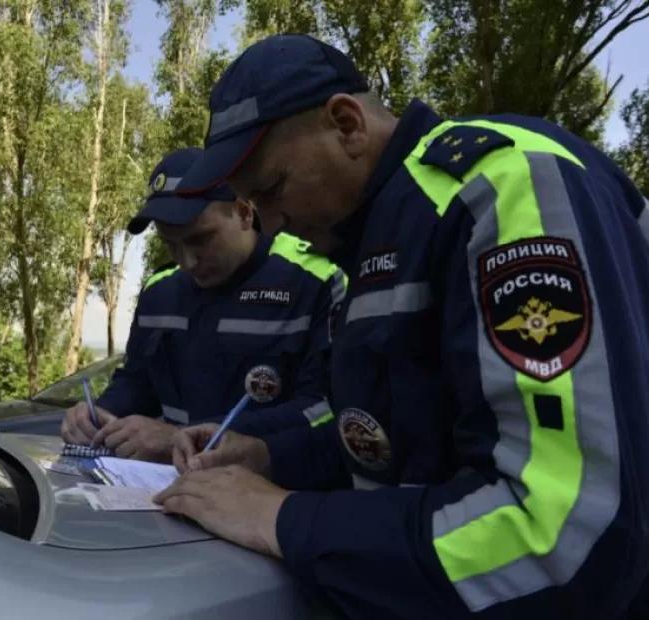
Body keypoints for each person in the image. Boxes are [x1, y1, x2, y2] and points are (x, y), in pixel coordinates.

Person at [156, 34, 649, 618]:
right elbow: (390, 441)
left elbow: (562, 536)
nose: (270, 225)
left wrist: (281, 516)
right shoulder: (366, 244)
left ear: (346, 125)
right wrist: (266, 455)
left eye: (271, 191)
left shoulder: (503, 185)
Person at [61, 147, 345, 464]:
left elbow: (324, 408)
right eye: (170, 244)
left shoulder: (314, 279)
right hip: (158, 489)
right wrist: (100, 412)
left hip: (266, 490)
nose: (187, 261)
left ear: (243, 212)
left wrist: (184, 438)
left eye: (201, 239)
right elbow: (138, 380)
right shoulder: (160, 291)